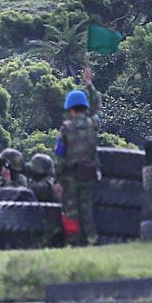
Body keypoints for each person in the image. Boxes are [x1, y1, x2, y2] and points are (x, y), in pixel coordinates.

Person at [53, 66, 102, 246]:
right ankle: (92, 241)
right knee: (87, 211)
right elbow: (98, 108)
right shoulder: (93, 123)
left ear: (70, 108)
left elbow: (60, 156)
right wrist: (89, 84)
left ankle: (74, 244)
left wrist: (58, 180)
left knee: (72, 212)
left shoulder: (65, 128)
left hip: (71, 177)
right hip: (90, 174)